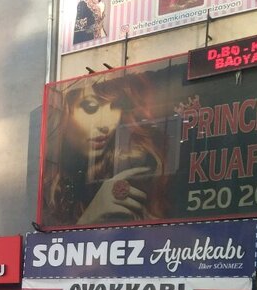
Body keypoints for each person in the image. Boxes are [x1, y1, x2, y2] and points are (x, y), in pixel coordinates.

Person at [42, 69, 169, 228]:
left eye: (116, 106)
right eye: (91, 107)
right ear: (62, 113)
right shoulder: (45, 181)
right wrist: (89, 218)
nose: (106, 125)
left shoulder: (130, 167)